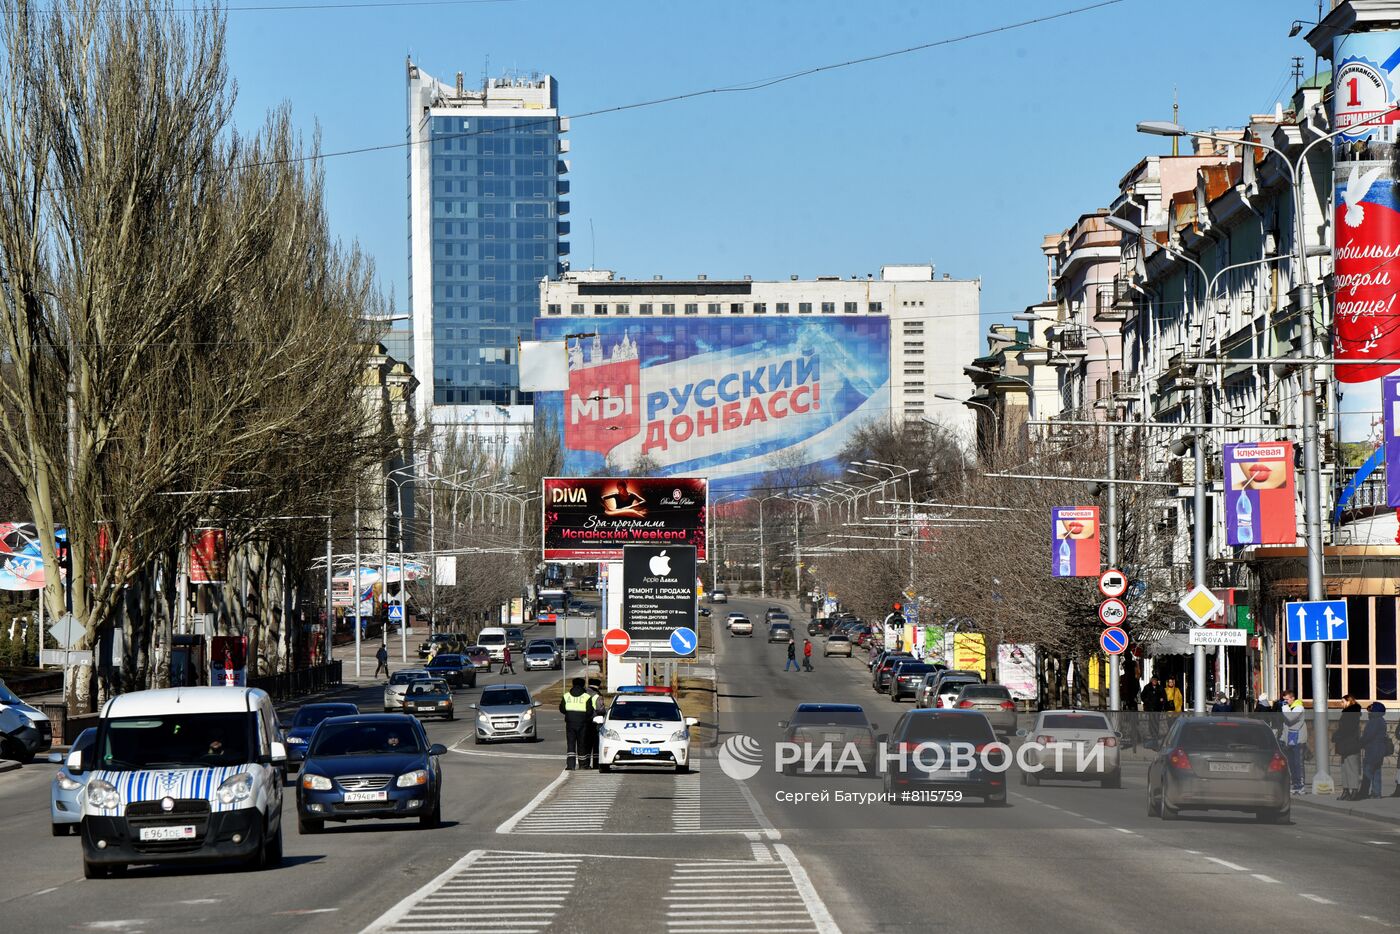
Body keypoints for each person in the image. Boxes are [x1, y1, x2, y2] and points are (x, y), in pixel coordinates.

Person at [559, 677, 598, 771]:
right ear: (583, 685)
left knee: (571, 744)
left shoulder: (566, 696)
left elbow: (562, 709)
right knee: (582, 744)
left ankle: (570, 765)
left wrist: (570, 714)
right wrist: (584, 717)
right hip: (583, 724)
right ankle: (583, 765)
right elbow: (590, 711)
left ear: (573, 684)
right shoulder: (586, 697)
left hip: (570, 723)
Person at [1334, 695, 1363, 801]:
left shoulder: (1351, 713)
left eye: (1343, 701)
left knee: (1351, 768)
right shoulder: (1348, 713)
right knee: (1345, 768)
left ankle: (1353, 791)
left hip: (1350, 744)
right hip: (1346, 744)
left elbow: (1347, 729)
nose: (1341, 703)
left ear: (1349, 701)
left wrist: (1337, 735)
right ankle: (1346, 791)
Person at [1280, 690, 1308, 794]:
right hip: (1289, 739)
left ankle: (1301, 785)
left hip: (1299, 739)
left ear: (1292, 698)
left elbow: (1291, 718)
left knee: (1298, 763)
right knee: (1291, 763)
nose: (1285, 702)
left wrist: (1284, 708)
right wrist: (1282, 738)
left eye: (1287, 699)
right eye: (1284, 700)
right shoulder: (1288, 708)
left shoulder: (1299, 707)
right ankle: (1295, 784)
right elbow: (1286, 725)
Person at [1361, 702, 1391, 799]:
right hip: (1379, 750)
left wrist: (1360, 742)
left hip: (1372, 749)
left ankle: (1364, 792)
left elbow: (1368, 735)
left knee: (1367, 771)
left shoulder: (1374, 721)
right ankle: (1376, 793)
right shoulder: (1381, 720)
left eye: (1371, 708)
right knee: (1376, 772)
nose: (1369, 710)